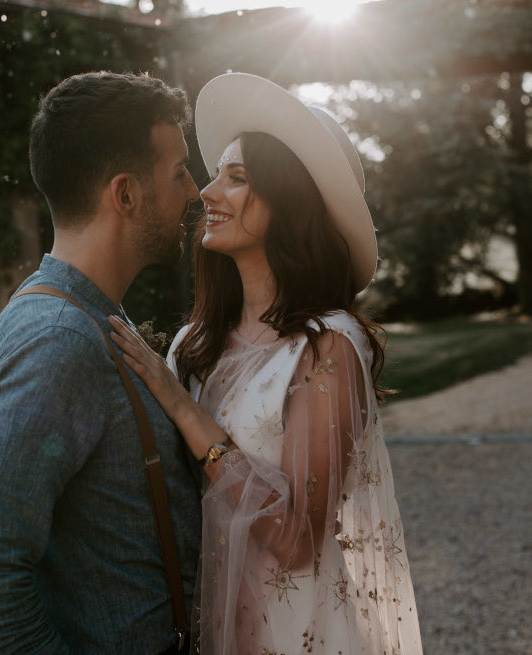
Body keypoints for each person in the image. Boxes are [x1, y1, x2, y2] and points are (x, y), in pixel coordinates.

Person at [108, 73, 424, 654]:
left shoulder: (326, 347)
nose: (206, 193)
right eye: (215, 175)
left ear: (290, 203)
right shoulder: (190, 346)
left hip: (299, 633)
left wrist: (182, 408)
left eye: (238, 178)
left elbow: (297, 538)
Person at [0, 71, 203, 654]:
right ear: (125, 194)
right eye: (179, 172)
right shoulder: (58, 340)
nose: (195, 192)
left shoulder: (91, 316)